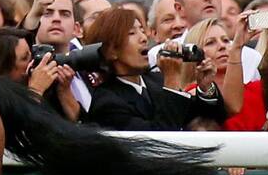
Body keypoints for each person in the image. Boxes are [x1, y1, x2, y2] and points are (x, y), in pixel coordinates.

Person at [84, 7, 225, 131]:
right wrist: (171, 81)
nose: (144, 38)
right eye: (132, 33)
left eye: (142, 30)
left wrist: (206, 88)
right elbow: (160, 141)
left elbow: (209, 118)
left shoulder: (156, 81)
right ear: (111, 51)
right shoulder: (107, 102)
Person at [180, 15, 262, 131]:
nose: (222, 46)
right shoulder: (195, 93)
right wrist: (237, 47)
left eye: (226, 40)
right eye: (210, 43)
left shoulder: (256, 89)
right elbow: (231, 107)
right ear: (193, 54)